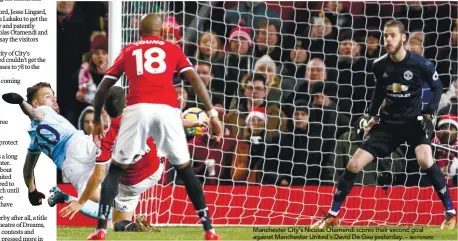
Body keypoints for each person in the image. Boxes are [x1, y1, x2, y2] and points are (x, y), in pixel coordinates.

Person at [86, 13, 223, 240]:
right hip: (167, 109)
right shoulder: (172, 49)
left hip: (138, 108)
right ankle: (209, 229)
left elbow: (103, 88)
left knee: (116, 170)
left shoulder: (130, 49)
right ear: (161, 31)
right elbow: (196, 80)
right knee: (185, 170)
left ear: (140, 30)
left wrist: (99, 120)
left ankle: (100, 229)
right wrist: (213, 114)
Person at [311, 20, 456, 230]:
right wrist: (371, 116)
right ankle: (333, 215)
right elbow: (379, 92)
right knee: (353, 165)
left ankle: (450, 213)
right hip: (387, 124)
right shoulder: (379, 65)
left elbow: (437, 86)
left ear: (403, 38)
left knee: (425, 160)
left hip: (413, 122)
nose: (387, 39)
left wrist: (428, 113)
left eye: (392, 35)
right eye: (385, 35)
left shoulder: (421, 64)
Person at [56, 86, 209, 232]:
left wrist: (81, 202)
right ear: (127, 102)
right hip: (155, 170)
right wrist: (195, 122)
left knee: (116, 221)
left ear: (105, 110)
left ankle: (127, 224)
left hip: (131, 185)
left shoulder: (105, 140)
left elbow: (97, 176)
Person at [1, 83, 104, 213]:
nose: (54, 98)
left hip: (69, 166)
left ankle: (122, 204)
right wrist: (21, 102)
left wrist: (32, 191)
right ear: (35, 103)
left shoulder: (34, 140)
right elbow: (35, 114)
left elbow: (28, 170)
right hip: (78, 144)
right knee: (121, 153)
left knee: (96, 196)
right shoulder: (44, 110)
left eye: (53, 95)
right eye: (48, 96)